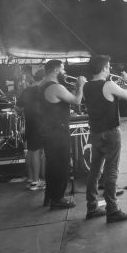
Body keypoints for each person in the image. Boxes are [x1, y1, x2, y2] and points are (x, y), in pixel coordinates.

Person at [83, 55, 127, 222]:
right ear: (104, 67)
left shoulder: (86, 86)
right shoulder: (108, 84)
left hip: (95, 132)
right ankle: (112, 210)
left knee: (94, 171)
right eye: (108, 66)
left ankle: (92, 208)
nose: (110, 69)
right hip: (110, 133)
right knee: (112, 170)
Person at [40, 60, 85, 209]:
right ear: (55, 70)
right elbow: (77, 100)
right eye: (63, 69)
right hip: (57, 132)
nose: (65, 72)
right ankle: (58, 199)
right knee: (61, 166)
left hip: (49, 130)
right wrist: (81, 85)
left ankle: (50, 196)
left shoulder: (42, 85)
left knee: (52, 166)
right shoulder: (56, 87)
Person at [16, 70, 45, 190]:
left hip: (29, 123)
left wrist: (26, 112)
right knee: (37, 151)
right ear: (43, 78)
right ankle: (36, 182)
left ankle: (31, 179)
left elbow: (17, 107)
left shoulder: (27, 90)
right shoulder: (41, 90)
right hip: (39, 124)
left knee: (31, 150)